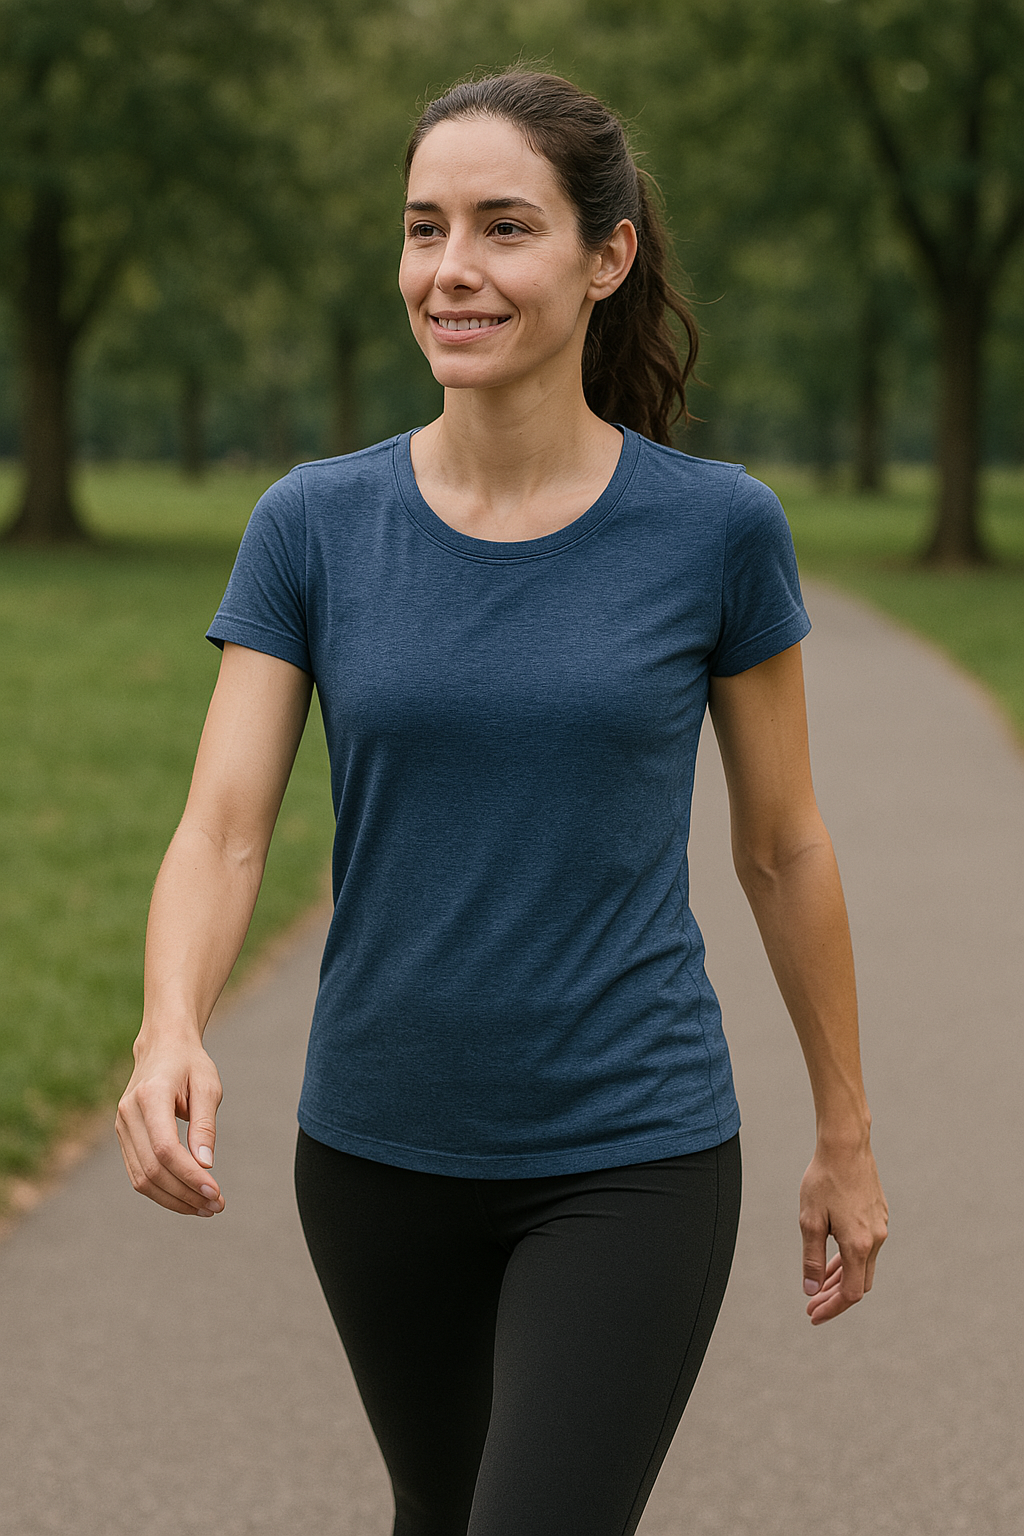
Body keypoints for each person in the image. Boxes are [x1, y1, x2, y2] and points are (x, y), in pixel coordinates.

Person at [116, 69, 888, 1536]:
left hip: (632, 1144)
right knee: (441, 1511)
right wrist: (171, 1025)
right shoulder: (314, 526)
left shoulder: (717, 531)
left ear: (606, 258)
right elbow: (224, 825)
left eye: (502, 226)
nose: (451, 269)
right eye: (424, 229)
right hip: (374, 1149)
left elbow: (785, 845)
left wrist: (845, 1131)